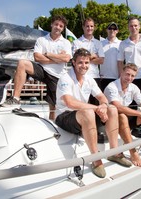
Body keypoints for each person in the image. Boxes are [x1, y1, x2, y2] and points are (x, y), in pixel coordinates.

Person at [55, 48, 132, 178]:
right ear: (73, 62)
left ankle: (114, 152)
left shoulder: (89, 79)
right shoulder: (65, 78)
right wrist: (96, 109)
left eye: (86, 63)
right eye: (80, 62)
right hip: (64, 116)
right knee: (88, 112)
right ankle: (96, 159)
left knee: (112, 109)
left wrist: (103, 105)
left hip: (83, 114)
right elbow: (70, 103)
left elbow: (102, 97)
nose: (83, 66)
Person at [1, 15, 72, 120]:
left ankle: (53, 126)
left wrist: (48, 54)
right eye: (56, 24)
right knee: (22, 63)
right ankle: (15, 98)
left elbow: (66, 59)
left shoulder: (66, 42)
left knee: (53, 107)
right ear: (51, 24)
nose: (58, 27)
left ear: (63, 28)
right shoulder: (41, 40)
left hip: (56, 75)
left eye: (61, 26)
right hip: (42, 70)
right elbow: (37, 57)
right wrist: (57, 59)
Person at [72, 17, 104, 104]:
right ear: (83, 27)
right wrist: (92, 56)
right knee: (82, 105)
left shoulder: (98, 43)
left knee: (97, 105)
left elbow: (101, 60)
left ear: (94, 27)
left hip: (95, 77)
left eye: (91, 26)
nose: (89, 28)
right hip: (80, 77)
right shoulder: (76, 42)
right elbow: (76, 60)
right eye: (87, 26)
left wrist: (84, 58)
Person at [100, 22, 121, 92]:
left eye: (114, 29)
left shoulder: (122, 43)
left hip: (117, 78)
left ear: (117, 31)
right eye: (110, 28)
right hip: (103, 78)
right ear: (107, 30)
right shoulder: (100, 44)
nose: (112, 30)